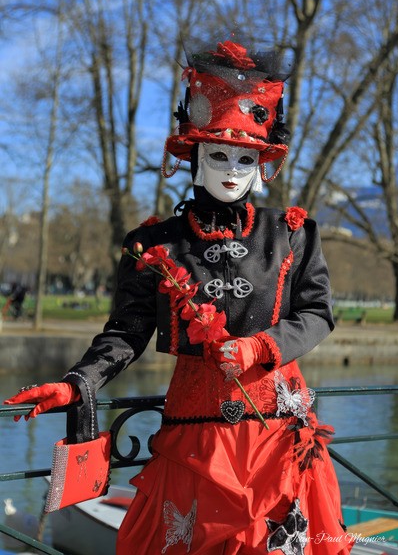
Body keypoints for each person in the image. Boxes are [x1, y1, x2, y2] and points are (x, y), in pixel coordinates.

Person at [5, 38, 353, 554]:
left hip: (277, 438)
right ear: (193, 156)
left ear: (263, 163)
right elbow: (126, 331)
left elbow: (317, 312)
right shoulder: (154, 244)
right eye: (218, 154)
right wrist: (77, 384)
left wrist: (261, 347)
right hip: (194, 438)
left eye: (246, 157)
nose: (232, 170)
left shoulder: (292, 234)